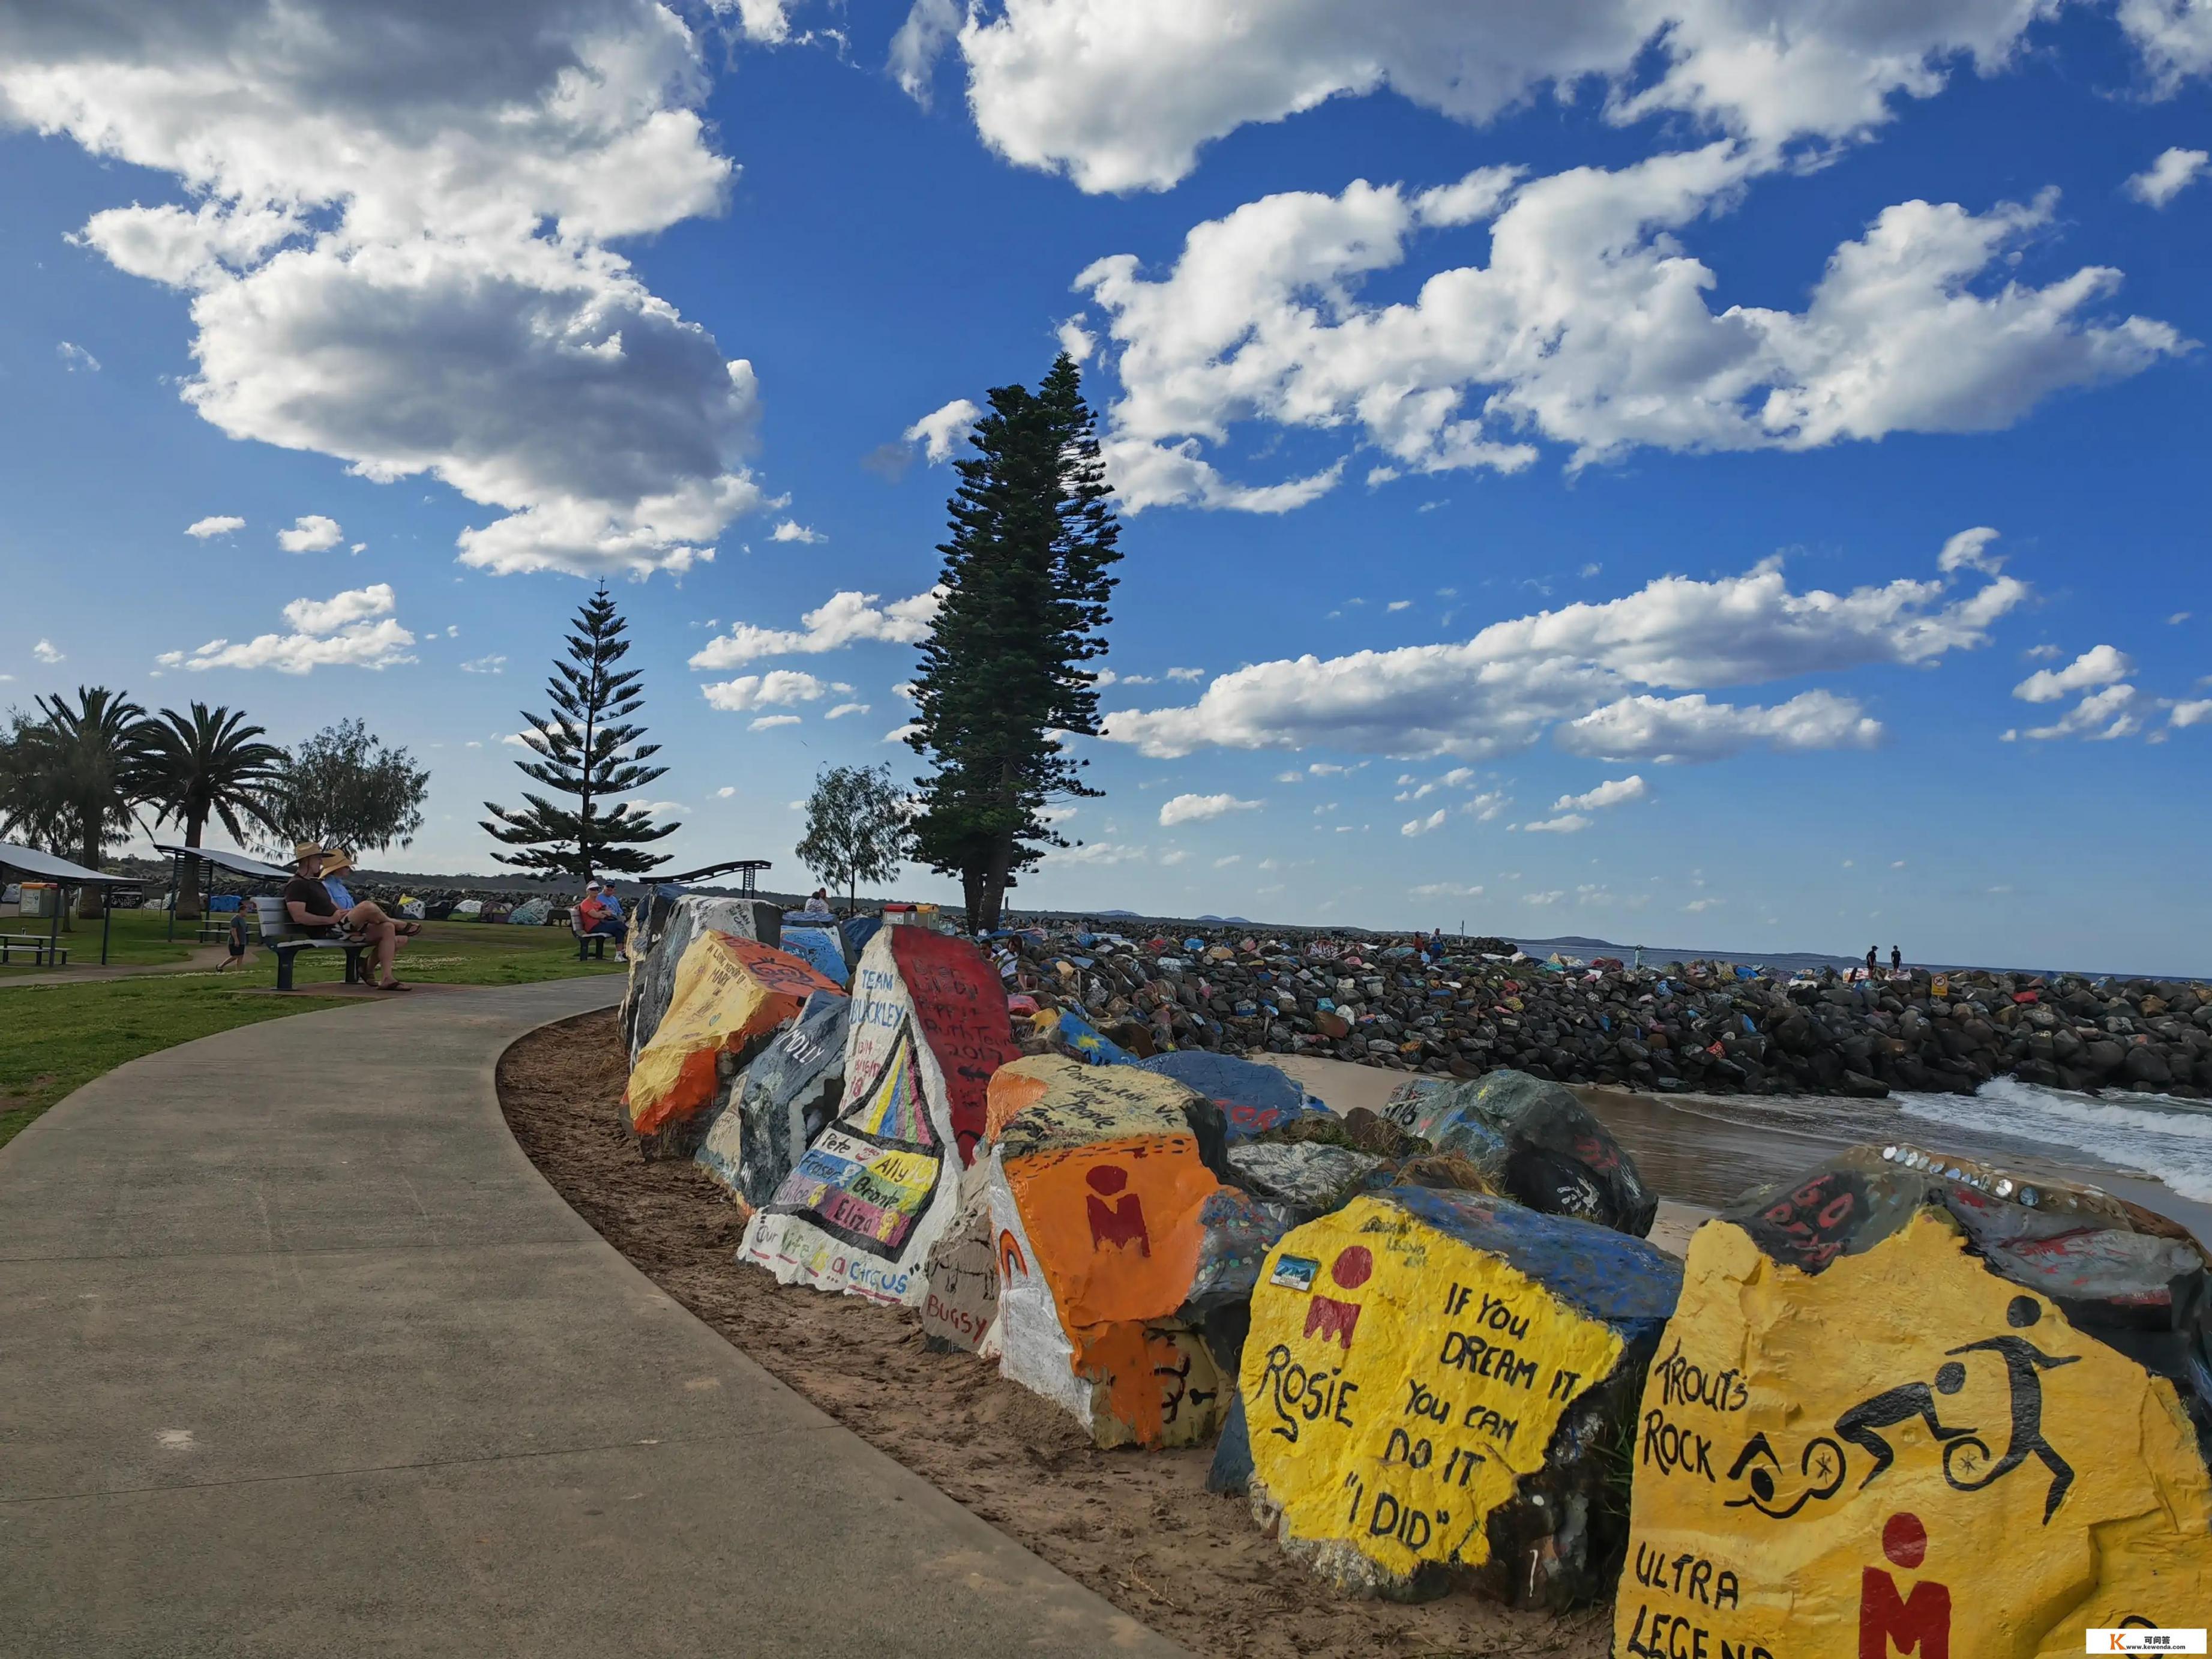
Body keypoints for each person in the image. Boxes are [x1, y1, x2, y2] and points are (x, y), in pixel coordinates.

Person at [284, 842, 409, 990]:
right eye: (318, 859)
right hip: (329, 929)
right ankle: (397, 923)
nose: (321, 862)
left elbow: (332, 906)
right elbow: (299, 917)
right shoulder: (297, 885)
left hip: (340, 925)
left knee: (387, 928)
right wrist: (330, 920)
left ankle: (387, 978)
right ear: (307, 860)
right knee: (367, 906)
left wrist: (345, 914)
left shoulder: (316, 883)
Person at [321, 848, 421, 936]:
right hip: (341, 925)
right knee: (367, 906)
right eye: (346, 866)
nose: (349, 869)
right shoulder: (325, 887)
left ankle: (373, 957)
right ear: (337, 869)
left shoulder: (342, 888)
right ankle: (397, 924)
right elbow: (337, 912)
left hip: (355, 923)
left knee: (390, 928)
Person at [576, 881, 627, 961]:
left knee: (619, 930)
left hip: (601, 924)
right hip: (593, 927)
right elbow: (596, 915)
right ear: (588, 891)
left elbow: (609, 912)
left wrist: (602, 913)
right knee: (619, 924)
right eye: (593, 889)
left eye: (597, 889)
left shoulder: (598, 902)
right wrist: (603, 913)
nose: (595, 891)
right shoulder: (586, 903)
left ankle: (619, 954)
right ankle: (627, 945)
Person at [218, 895, 253, 972]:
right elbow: (233, 930)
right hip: (235, 941)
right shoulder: (235, 919)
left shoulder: (243, 920)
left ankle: (238, 971)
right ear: (241, 911)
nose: (247, 913)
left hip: (242, 940)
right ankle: (221, 966)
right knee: (235, 956)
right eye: (246, 911)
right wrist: (236, 940)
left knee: (241, 956)